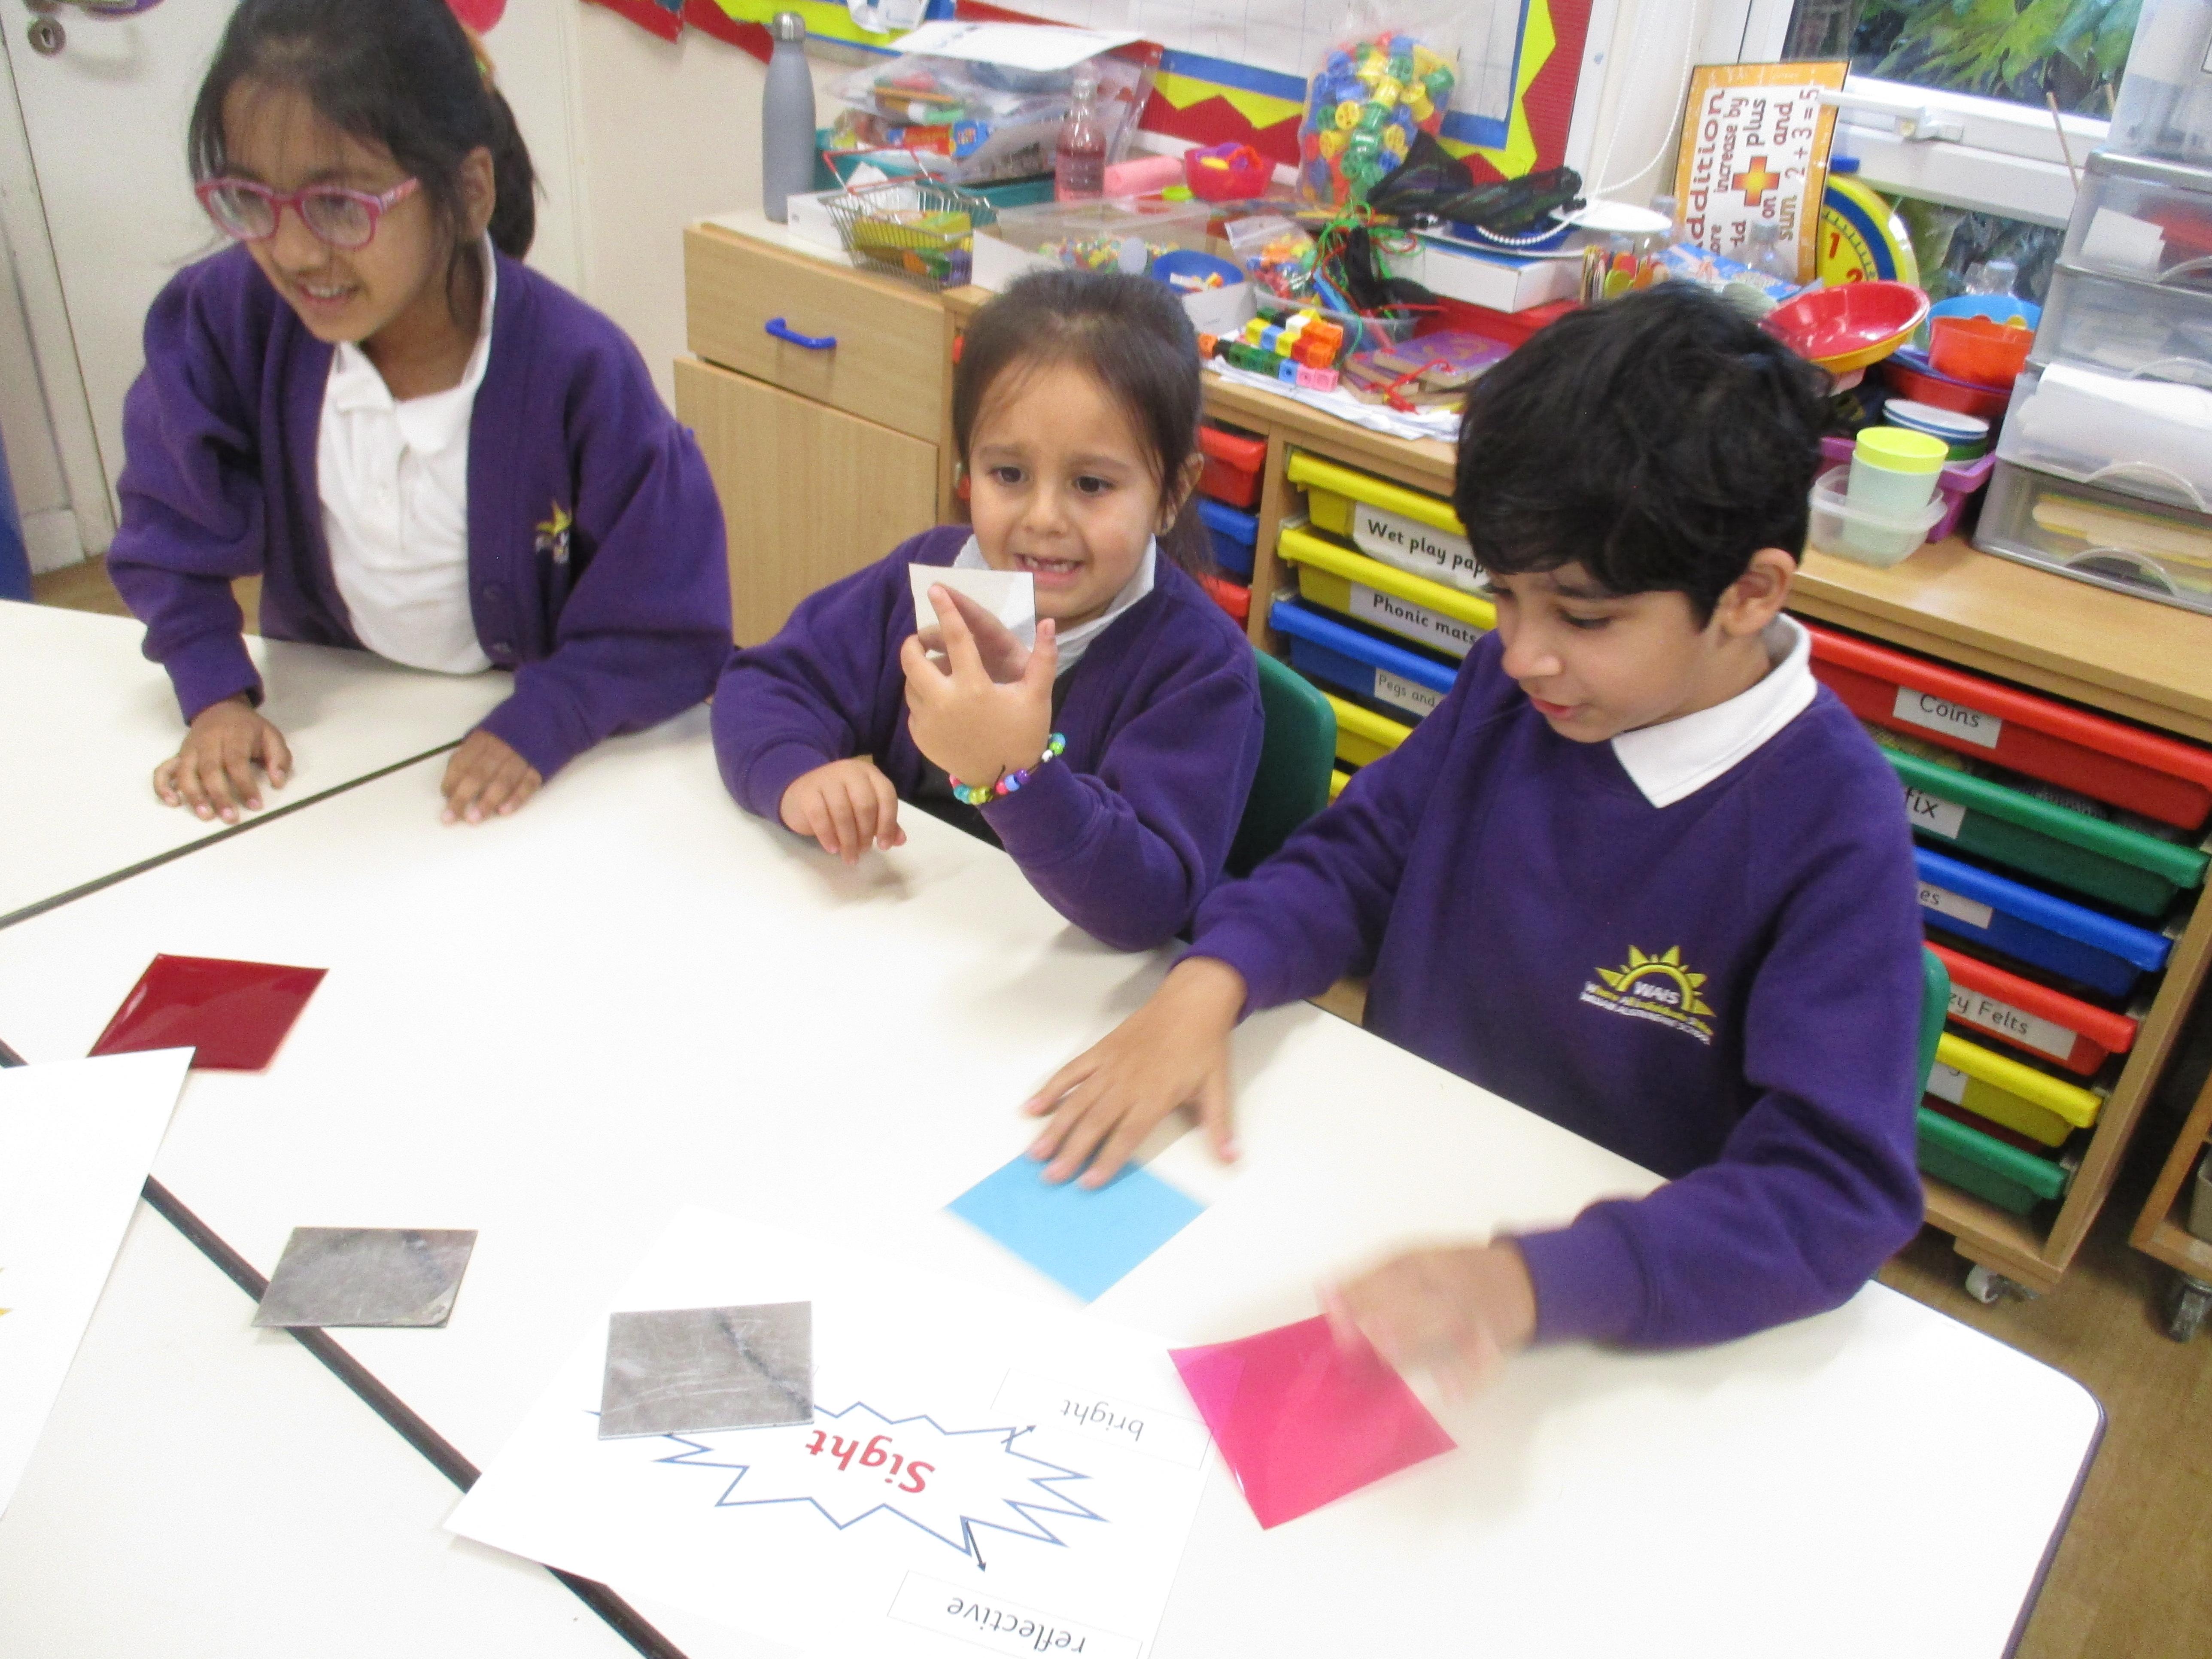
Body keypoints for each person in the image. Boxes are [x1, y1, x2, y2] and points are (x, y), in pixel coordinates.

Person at [1025, 284, 1926, 1370]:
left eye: (1582, 617)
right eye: (1503, 596)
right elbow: (1355, 861)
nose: (1523, 652)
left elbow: (1831, 1193)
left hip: (1605, 1303)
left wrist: (1533, 1284)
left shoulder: (1830, 824)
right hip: (1394, 1186)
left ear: (1748, 594)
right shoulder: (1520, 690)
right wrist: (1211, 980)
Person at [111, 0, 728, 827]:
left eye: (339, 205)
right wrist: (215, 692)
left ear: (468, 193)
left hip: (540, 743)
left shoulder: (581, 372)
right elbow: (167, 519)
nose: (293, 252)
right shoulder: (230, 319)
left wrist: (551, 715)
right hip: (333, 728)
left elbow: (669, 619)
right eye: (251, 200)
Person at [711, 269, 1264, 953]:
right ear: (967, 467)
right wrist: (798, 775)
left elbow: (1146, 904)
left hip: (1073, 986)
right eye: (1009, 474)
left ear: (1172, 492)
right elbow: (765, 684)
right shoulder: (933, 578)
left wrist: (1011, 773)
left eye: (1092, 484)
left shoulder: (1201, 669)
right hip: (910, 941)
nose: (1044, 518)